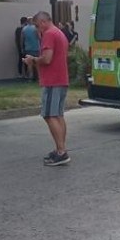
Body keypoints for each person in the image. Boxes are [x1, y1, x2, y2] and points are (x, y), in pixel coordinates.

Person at [23, 11, 71, 166]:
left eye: (37, 26)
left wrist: (33, 60)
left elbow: (47, 59)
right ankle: (60, 149)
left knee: (49, 115)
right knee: (58, 115)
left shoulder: (49, 34)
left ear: (43, 22)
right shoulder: (59, 32)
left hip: (52, 81)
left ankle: (61, 152)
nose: (38, 30)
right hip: (61, 79)